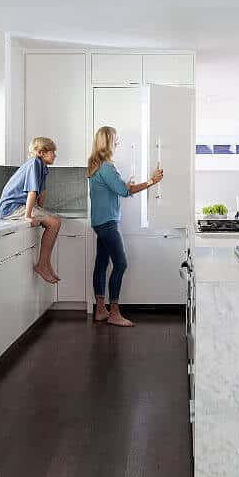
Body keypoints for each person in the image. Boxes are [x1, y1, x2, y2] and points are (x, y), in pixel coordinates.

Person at [88, 126, 163, 327]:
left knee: (101, 264)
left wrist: (126, 185)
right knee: (120, 264)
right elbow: (124, 192)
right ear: (108, 142)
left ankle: (101, 310)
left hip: (100, 223)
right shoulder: (106, 167)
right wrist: (152, 181)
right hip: (108, 224)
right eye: (116, 139)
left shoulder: (97, 166)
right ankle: (114, 313)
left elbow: (117, 189)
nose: (118, 142)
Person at [0, 136, 62, 284]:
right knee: (54, 223)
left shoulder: (43, 167)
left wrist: (40, 211)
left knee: (55, 220)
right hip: (12, 207)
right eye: (52, 152)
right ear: (42, 153)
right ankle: (42, 264)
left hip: (23, 205)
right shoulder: (34, 163)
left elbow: (42, 191)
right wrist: (28, 216)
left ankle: (46, 263)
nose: (55, 155)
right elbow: (32, 191)